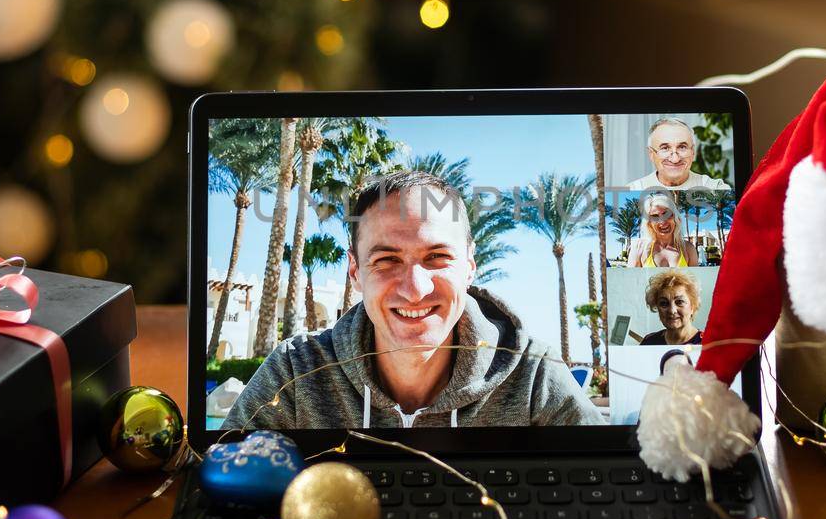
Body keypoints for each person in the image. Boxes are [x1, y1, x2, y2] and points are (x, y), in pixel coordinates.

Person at [224, 169, 603, 428]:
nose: (415, 288)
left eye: (436, 257)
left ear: (469, 267)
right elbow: (218, 477)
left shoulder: (532, 373)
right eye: (387, 260)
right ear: (355, 272)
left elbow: (601, 481)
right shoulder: (297, 372)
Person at [623, 118, 732, 193]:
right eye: (665, 148)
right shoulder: (631, 190)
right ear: (651, 154)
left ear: (693, 152)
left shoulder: (715, 188)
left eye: (682, 147)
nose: (675, 159)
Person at [625, 189, 700, 268]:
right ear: (649, 223)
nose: (663, 221)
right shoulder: (639, 247)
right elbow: (631, 279)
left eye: (666, 214)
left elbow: (696, 279)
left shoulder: (688, 248)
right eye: (655, 216)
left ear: (675, 216)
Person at [639, 270, 704, 346]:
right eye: (664, 303)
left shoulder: (708, 343)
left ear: (693, 306)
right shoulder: (649, 342)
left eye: (679, 302)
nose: (672, 311)